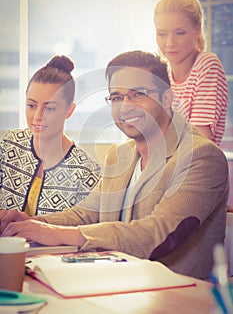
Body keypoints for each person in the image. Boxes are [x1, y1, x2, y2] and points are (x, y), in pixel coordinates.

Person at [0, 50, 229, 280]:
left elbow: (157, 234)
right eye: (117, 97)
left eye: (137, 94)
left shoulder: (200, 156)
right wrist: (29, 223)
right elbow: (86, 215)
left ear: (167, 98)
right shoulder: (119, 154)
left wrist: (61, 233)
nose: (125, 106)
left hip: (182, 298)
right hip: (119, 289)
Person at [0, 55, 100, 216]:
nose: (38, 116)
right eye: (31, 105)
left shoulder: (86, 171)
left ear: (70, 110)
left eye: (50, 108)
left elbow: (82, 229)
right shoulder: (9, 145)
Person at [153, 0, 228, 146]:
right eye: (162, 34)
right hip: (166, 164)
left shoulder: (207, 65)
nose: (170, 43)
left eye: (180, 33)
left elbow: (198, 142)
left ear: (196, 29)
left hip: (196, 167)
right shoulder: (162, 71)